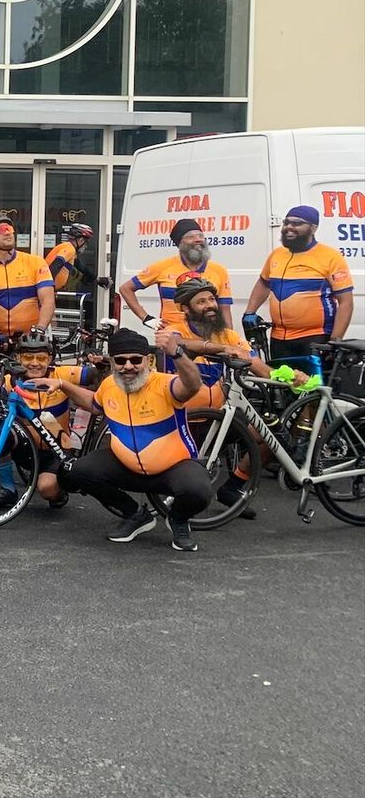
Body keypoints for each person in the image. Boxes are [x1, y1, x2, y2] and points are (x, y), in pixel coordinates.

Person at [32, 326, 209, 553]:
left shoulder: (165, 384)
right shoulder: (110, 385)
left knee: (198, 490)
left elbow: (193, 385)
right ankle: (135, 515)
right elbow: (94, 404)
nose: (128, 366)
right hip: (126, 467)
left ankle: (178, 519)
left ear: (149, 360)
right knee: (77, 471)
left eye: (135, 360)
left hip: (172, 469)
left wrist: (177, 353)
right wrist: (63, 385)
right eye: (120, 360)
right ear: (113, 362)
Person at [174, 275, 304, 520]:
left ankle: (232, 487)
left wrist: (291, 378)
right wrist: (220, 349)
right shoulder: (173, 330)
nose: (210, 305)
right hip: (182, 419)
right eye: (201, 302)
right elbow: (179, 343)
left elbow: (258, 367)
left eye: (211, 299)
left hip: (220, 419)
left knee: (270, 435)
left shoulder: (229, 335)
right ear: (185, 308)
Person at [0, 330, 97, 510]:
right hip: (25, 449)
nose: (34, 363)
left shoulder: (62, 374)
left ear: (50, 359)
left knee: (47, 490)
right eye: (27, 357)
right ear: (18, 358)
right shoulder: (9, 380)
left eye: (41, 358)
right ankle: (8, 489)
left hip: (56, 451)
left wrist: (99, 363)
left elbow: (95, 375)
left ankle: (59, 489)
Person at [244, 204, 355, 375]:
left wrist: (335, 340)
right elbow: (264, 283)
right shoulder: (276, 254)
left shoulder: (330, 257)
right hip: (279, 339)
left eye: (297, 223)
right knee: (282, 385)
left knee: (312, 388)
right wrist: (250, 311)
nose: (289, 227)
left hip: (315, 338)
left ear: (313, 228)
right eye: (286, 222)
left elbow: (346, 301)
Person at [120, 218, 233, 334]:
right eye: (191, 237)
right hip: (171, 337)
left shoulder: (219, 270)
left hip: (207, 337)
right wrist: (146, 318)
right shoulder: (162, 267)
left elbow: (225, 309)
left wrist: (230, 338)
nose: (198, 239)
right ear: (179, 243)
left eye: (201, 236)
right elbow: (125, 289)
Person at [0, 214, 55, 342]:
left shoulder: (35, 262)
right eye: (1, 230)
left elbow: (48, 300)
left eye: (10, 229)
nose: (7, 233)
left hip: (31, 339)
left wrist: (40, 330)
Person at [45, 223, 96, 293]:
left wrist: (96, 279)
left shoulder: (70, 250)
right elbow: (55, 266)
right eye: (86, 242)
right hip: (46, 290)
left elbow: (81, 267)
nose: (86, 246)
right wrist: (49, 288)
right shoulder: (69, 248)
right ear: (81, 240)